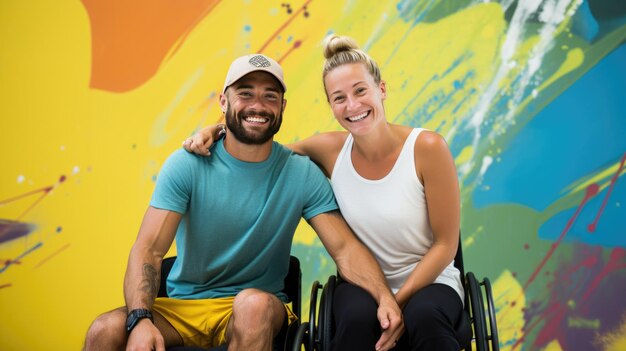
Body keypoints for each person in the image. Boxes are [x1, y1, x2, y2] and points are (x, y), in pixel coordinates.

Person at [83, 53, 403, 351]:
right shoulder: (187, 165)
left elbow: (345, 249)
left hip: (259, 306)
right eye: (245, 93)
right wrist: (139, 318)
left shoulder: (300, 172)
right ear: (224, 101)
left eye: (269, 96)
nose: (258, 105)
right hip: (183, 308)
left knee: (252, 305)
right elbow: (149, 249)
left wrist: (384, 297)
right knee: (104, 329)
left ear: (282, 106)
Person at [184, 35, 464, 350]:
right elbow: (256, 148)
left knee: (425, 317)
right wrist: (217, 129)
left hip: (431, 281)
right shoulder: (330, 150)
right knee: (356, 322)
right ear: (331, 105)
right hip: (362, 283)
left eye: (360, 91)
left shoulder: (427, 147)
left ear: (381, 89)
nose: (353, 105)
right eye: (339, 97)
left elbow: (445, 245)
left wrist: (396, 301)